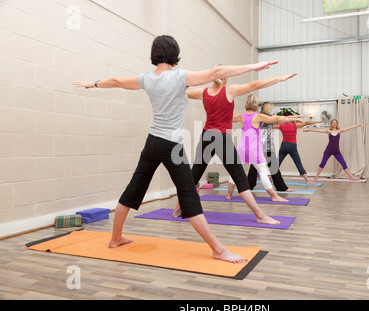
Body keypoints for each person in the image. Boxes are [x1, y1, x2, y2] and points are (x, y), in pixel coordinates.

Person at [73, 35, 280, 264]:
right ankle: (219, 250)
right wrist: (254, 65)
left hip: (152, 141)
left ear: (155, 53)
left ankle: (116, 238)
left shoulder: (147, 78)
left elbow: (116, 81)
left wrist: (93, 84)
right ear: (174, 52)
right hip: (172, 145)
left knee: (134, 187)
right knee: (189, 194)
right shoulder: (180, 77)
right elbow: (215, 73)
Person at [172, 71, 298, 225]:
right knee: (240, 177)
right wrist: (279, 77)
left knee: (194, 175)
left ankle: (177, 209)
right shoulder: (228, 91)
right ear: (224, 78)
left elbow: (183, 93)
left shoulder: (203, 92)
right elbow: (254, 85)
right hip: (222, 138)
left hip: (206, 136)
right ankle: (260, 215)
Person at [227, 95, 304, 201]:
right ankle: (274, 196)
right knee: (263, 171)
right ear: (255, 104)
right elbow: (276, 118)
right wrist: (294, 118)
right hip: (254, 150)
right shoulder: (258, 116)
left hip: (242, 149)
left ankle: (229, 195)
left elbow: (227, 118)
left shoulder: (241, 116)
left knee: (236, 171)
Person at [247, 102, 308, 192]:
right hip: (265, 145)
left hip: (261, 144)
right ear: (267, 108)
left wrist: (297, 117)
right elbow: (281, 118)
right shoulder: (262, 117)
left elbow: (282, 118)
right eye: (270, 107)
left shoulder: (265, 116)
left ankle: (249, 185)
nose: (272, 109)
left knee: (254, 166)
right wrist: (297, 117)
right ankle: (281, 187)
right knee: (272, 167)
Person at [275, 111, 324, 184]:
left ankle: (269, 179)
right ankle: (307, 180)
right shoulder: (295, 125)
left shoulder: (280, 126)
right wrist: (318, 121)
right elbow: (307, 123)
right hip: (292, 146)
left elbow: (269, 126)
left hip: (284, 145)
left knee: (277, 163)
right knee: (298, 163)